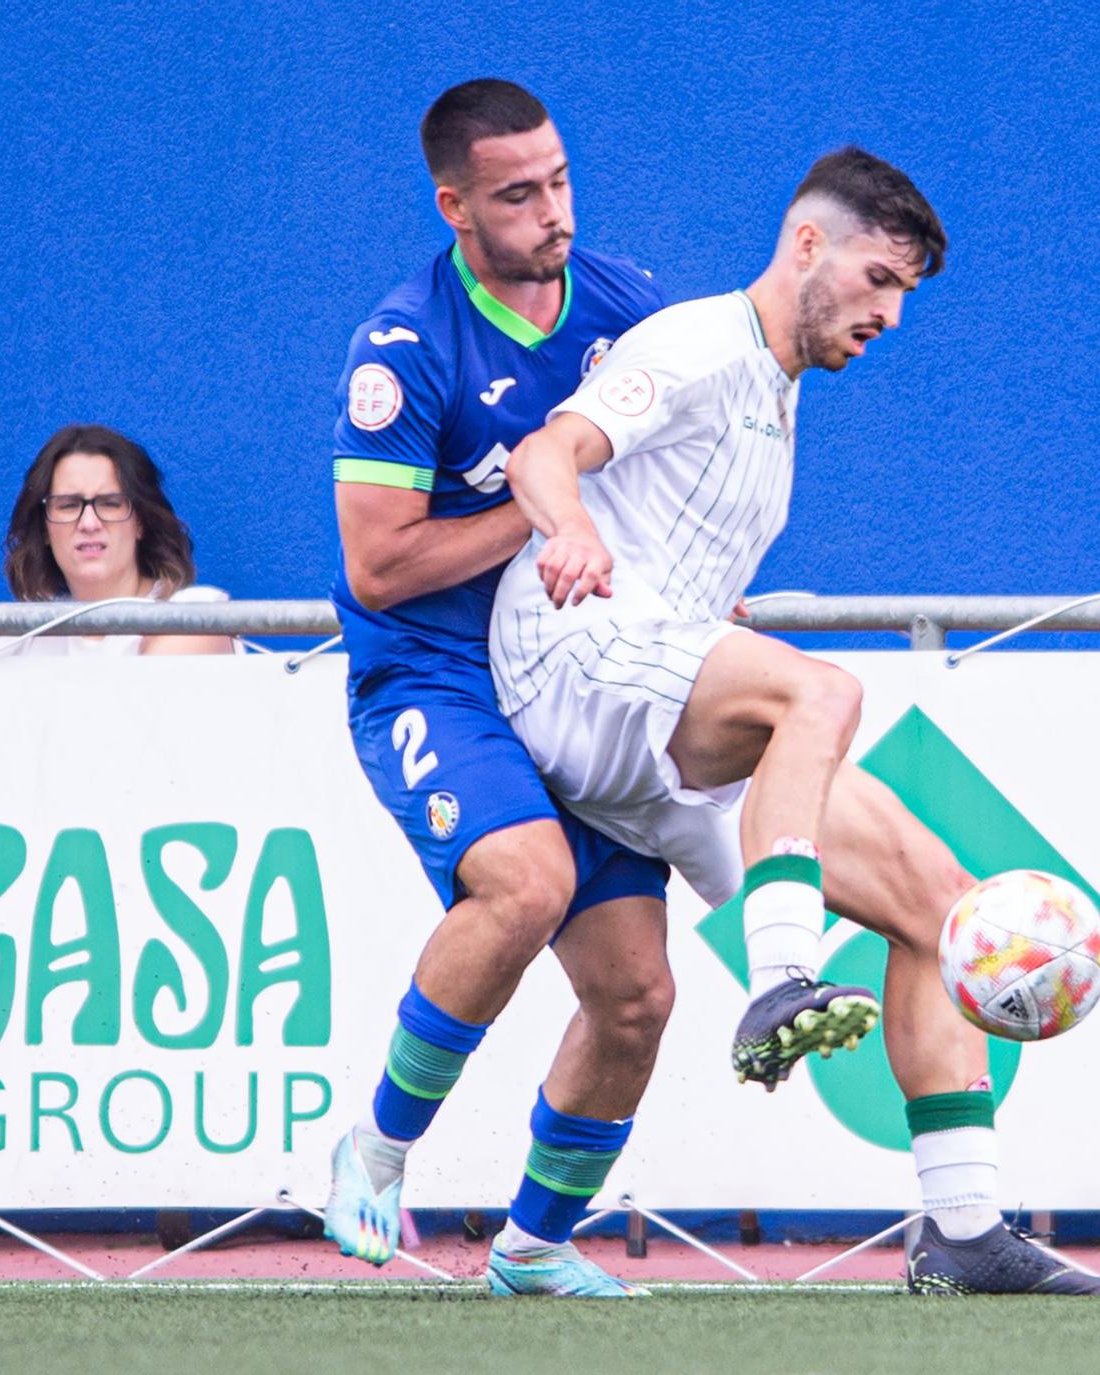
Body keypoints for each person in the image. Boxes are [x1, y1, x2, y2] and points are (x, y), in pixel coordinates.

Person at [488, 147, 1100, 1295]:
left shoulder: (778, 398)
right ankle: (781, 979)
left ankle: (965, 1228)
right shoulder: (693, 343)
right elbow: (547, 452)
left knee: (947, 909)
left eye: (905, 296)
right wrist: (573, 534)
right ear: (805, 245)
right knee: (819, 690)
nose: (887, 312)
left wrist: (698, 614)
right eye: (878, 279)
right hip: (573, 664)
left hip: (666, 702)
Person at [317, 80, 870, 1299]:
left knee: (637, 997)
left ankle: (531, 1243)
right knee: (526, 882)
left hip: (593, 664)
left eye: (559, 180)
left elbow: (665, 478)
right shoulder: (402, 348)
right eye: (517, 195)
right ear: (454, 206)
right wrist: (539, 509)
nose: (552, 213)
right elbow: (378, 564)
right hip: (440, 672)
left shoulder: (623, 304)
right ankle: (375, 1148)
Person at [0, 424, 235, 657]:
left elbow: (148, 693)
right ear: (44, 528)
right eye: (68, 505)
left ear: (140, 522)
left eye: (110, 504)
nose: (89, 523)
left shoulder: (191, 612)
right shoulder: (22, 643)